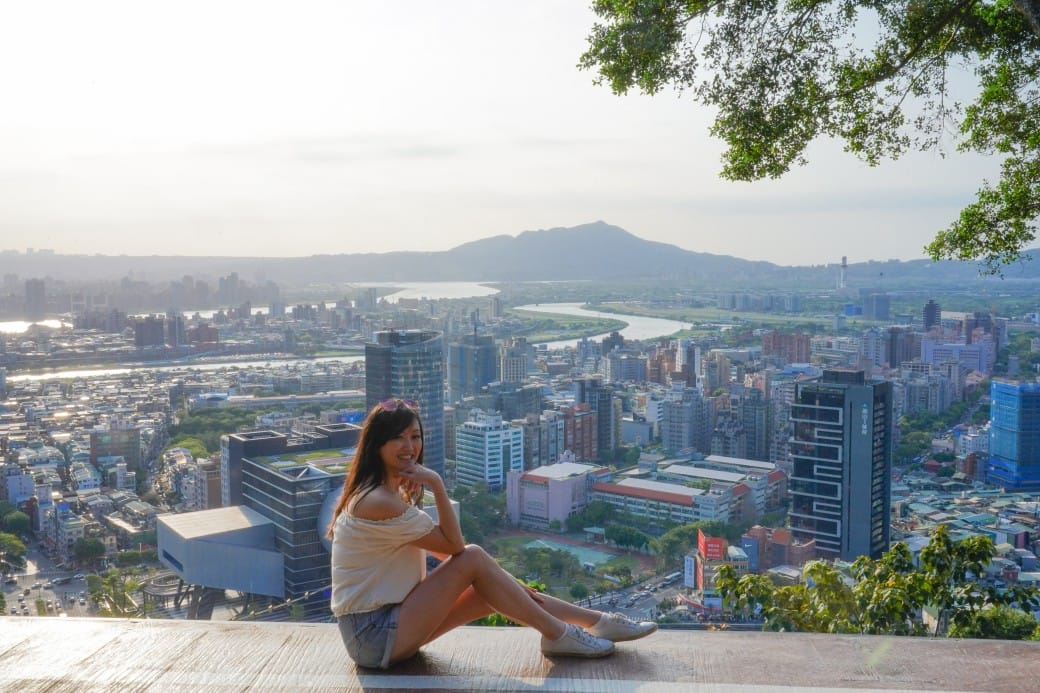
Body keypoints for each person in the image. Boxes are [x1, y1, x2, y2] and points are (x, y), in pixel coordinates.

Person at [329, 398, 657, 670]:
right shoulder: (378, 501)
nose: (410, 446)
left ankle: (595, 622)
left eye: (415, 436)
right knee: (475, 557)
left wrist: (505, 581)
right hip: (372, 636)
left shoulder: (384, 494)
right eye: (398, 438)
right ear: (377, 444)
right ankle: (560, 634)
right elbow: (456, 547)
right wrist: (437, 485)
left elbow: (450, 553)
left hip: (386, 631)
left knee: (492, 589)